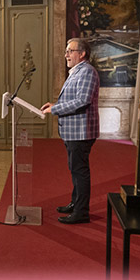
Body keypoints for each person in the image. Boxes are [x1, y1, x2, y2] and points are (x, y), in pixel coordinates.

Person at [41, 39, 100, 224]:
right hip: (73, 131)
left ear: (82, 53)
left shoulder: (87, 72)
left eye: (70, 51)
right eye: (66, 51)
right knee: (75, 170)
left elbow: (82, 100)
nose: (66, 55)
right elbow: (74, 98)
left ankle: (81, 212)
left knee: (80, 171)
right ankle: (75, 203)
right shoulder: (77, 71)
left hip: (80, 132)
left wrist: (56, 110)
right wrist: (56, 104)